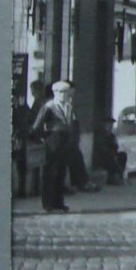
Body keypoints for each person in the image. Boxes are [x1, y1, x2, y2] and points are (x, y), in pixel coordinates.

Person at [30, 80, 82, 212]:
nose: (65, 95)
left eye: (67, 92)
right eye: (62, 92)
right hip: (53, 141)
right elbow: (37, 125)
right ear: (56, 93)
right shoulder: (49, 106)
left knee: (61, 172)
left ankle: (59, 202)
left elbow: (73, 123)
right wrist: (42, 137)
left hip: (65, 141)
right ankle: (48, 203)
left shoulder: (69, 106)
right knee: (50, 172)